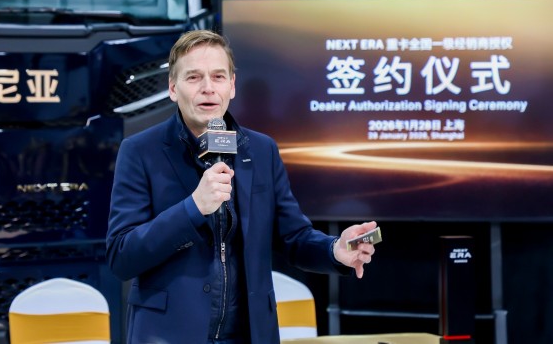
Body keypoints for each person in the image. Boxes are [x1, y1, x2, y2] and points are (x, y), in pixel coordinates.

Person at [105, 30, 377, 344]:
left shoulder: (261, 151)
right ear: (173, 88)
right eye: (194, 77)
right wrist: (193, 208)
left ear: (232, 85)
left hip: (249, 334)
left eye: (218, 76)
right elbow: (122, 256)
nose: (208, 87)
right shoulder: (140, 151)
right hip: (168, 334)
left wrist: (334, 249)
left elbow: (293, 237)